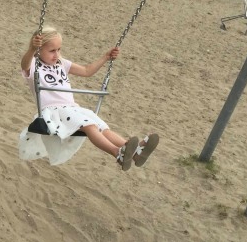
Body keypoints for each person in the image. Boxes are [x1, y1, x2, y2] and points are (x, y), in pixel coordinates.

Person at [19, 27, 159, 169]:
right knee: (89, 126)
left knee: (102, 128)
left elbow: (87, 71)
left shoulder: (61, 63)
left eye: (59, 49)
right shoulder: (34, 66)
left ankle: (134, 152)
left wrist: (106, 57)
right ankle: (118, 153)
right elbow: (24, 64)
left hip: (72, 108)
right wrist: (31, 49)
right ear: (38, 49)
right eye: (52, 51)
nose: (56, 54)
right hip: (54, 112)